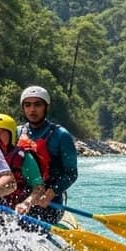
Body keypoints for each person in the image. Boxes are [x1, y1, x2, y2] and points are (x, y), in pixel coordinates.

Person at [16, 84, 78, 224]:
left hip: (49, 204)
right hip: (21, 199)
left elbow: (71, 173)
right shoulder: (17, 132)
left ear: (46, 107)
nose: (32, 109)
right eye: (28, 105)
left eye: (37, 105)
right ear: (23, 108)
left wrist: (51, 193)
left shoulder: (61, 135)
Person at [0, 113, 49, 214]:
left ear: (11, 135)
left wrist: (27, 203)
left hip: (16, 209)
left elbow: (39, 188)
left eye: (1, 132)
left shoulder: (23, 158)